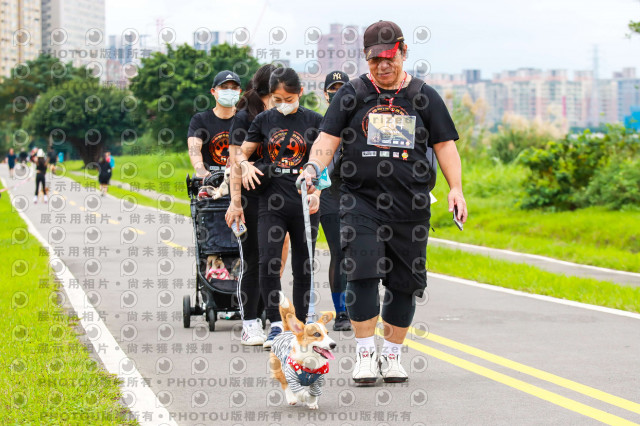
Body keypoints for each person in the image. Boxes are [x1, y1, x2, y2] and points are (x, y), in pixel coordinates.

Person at [299, 21, 467, 384]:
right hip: (360, 201)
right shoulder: (351, 95)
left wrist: (456, 188)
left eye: (390, 58)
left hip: (410, 205)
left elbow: (445, 145)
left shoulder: (424, 96)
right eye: (375, 59)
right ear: (366, 57)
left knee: (405, 283)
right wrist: (313, 168)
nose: (383, 65)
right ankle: (365, 354)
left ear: (404, 52)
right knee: (362, 273)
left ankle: (391, 355)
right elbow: (327, 139)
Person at [227, 67, 323, 349]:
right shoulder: (264, 120)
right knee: (268, 262)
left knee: (303, 266)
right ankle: (276, 325)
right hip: (272, 201)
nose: (283, 104)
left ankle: (301, 326)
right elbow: (240, 154)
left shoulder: (315, 121)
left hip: (304, 201)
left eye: (289, 99)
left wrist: (318, 192)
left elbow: (324, 163)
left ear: (300, 92)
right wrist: (244, 165)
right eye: (277, 99)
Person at [320, 71, 351, 331]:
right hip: (329, 193)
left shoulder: (361, 122)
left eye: (343, 87)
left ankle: (361, 307)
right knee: (339, 252)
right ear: (325, 94)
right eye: (333, 88)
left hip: (357, 194)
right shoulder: (319, 124)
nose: (338, 92)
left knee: (361, 252)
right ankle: (341, 312)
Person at [187, 70, 242, 178]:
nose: (229, 91)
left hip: (239, 179)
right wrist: (201, 170)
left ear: (239, 91)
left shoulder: (247, 119)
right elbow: (194, 149)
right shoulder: (200, 120)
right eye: (224, 87)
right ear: (213, 91)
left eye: (234, 88)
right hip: (209, 180)